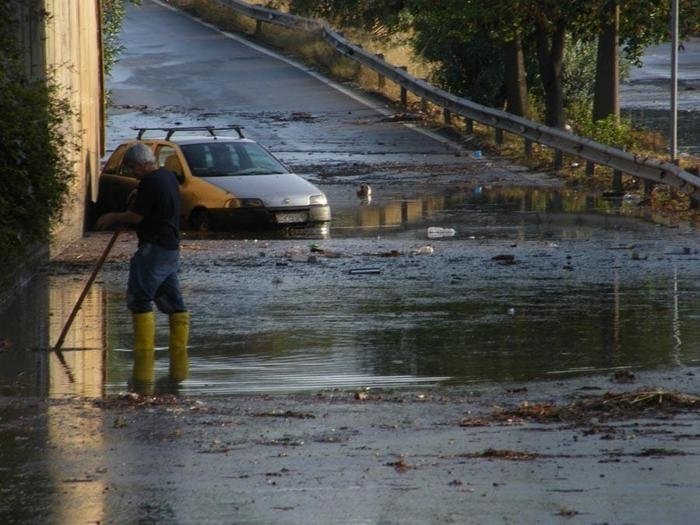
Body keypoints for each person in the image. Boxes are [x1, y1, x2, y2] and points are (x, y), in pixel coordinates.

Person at [96, 142, 189, 385]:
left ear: (141, 165)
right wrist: (139, 195)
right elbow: (154, 201)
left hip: (153, 248)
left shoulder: (150, 182)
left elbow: (137, 217)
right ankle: (179, 361)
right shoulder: (167, 177)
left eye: (132, 169)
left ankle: (143, 364)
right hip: (170, 247)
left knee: (139, 299)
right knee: (173, 302)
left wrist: (114, 216)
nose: (132, 174)